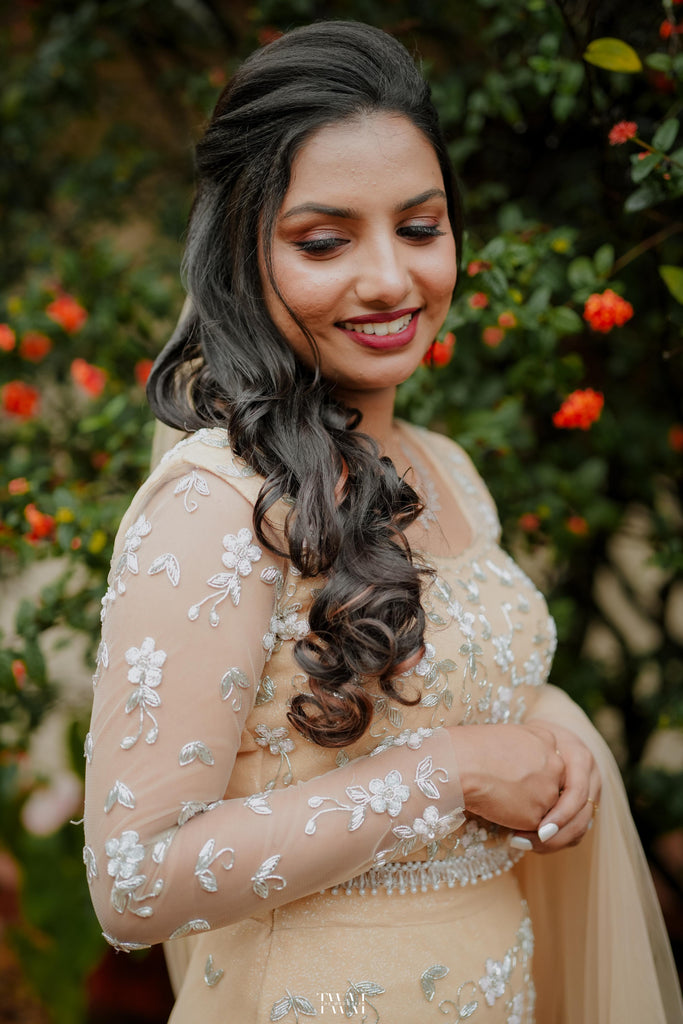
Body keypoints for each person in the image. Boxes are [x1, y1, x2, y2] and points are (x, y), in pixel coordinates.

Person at [83, 21, 682, 1024]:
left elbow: (464, 692)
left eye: (418, 227)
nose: (390, 281)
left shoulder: (446, 469)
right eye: (324, 241)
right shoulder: (214, 503)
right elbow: (135, 879)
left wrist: (549, 741)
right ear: (242, 250)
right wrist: (446, 774)